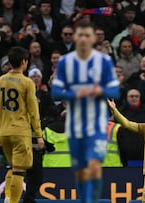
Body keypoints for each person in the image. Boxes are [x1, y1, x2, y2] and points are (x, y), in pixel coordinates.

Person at [51, 21, 120, 203]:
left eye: (87, 35)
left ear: (92, 38)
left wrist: (100, 91)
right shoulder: (65, 62)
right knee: (81, 169)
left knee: (95, 166)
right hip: (75, 125)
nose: (83, 39)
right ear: (75, 38)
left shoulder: (103, 61)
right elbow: (55, 92)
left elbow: (115, 91)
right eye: (80, 35)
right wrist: (75, 94)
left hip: (97, 124)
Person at [0, 46, 44, 203]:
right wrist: (39, 136)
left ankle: (8, 197)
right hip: (20, 131)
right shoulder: (27, 83)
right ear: (24, 62)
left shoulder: (0, 81)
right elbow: (33, 112)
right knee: (20, 170)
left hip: (5, 131)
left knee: (13, 166)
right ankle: (13, 201)